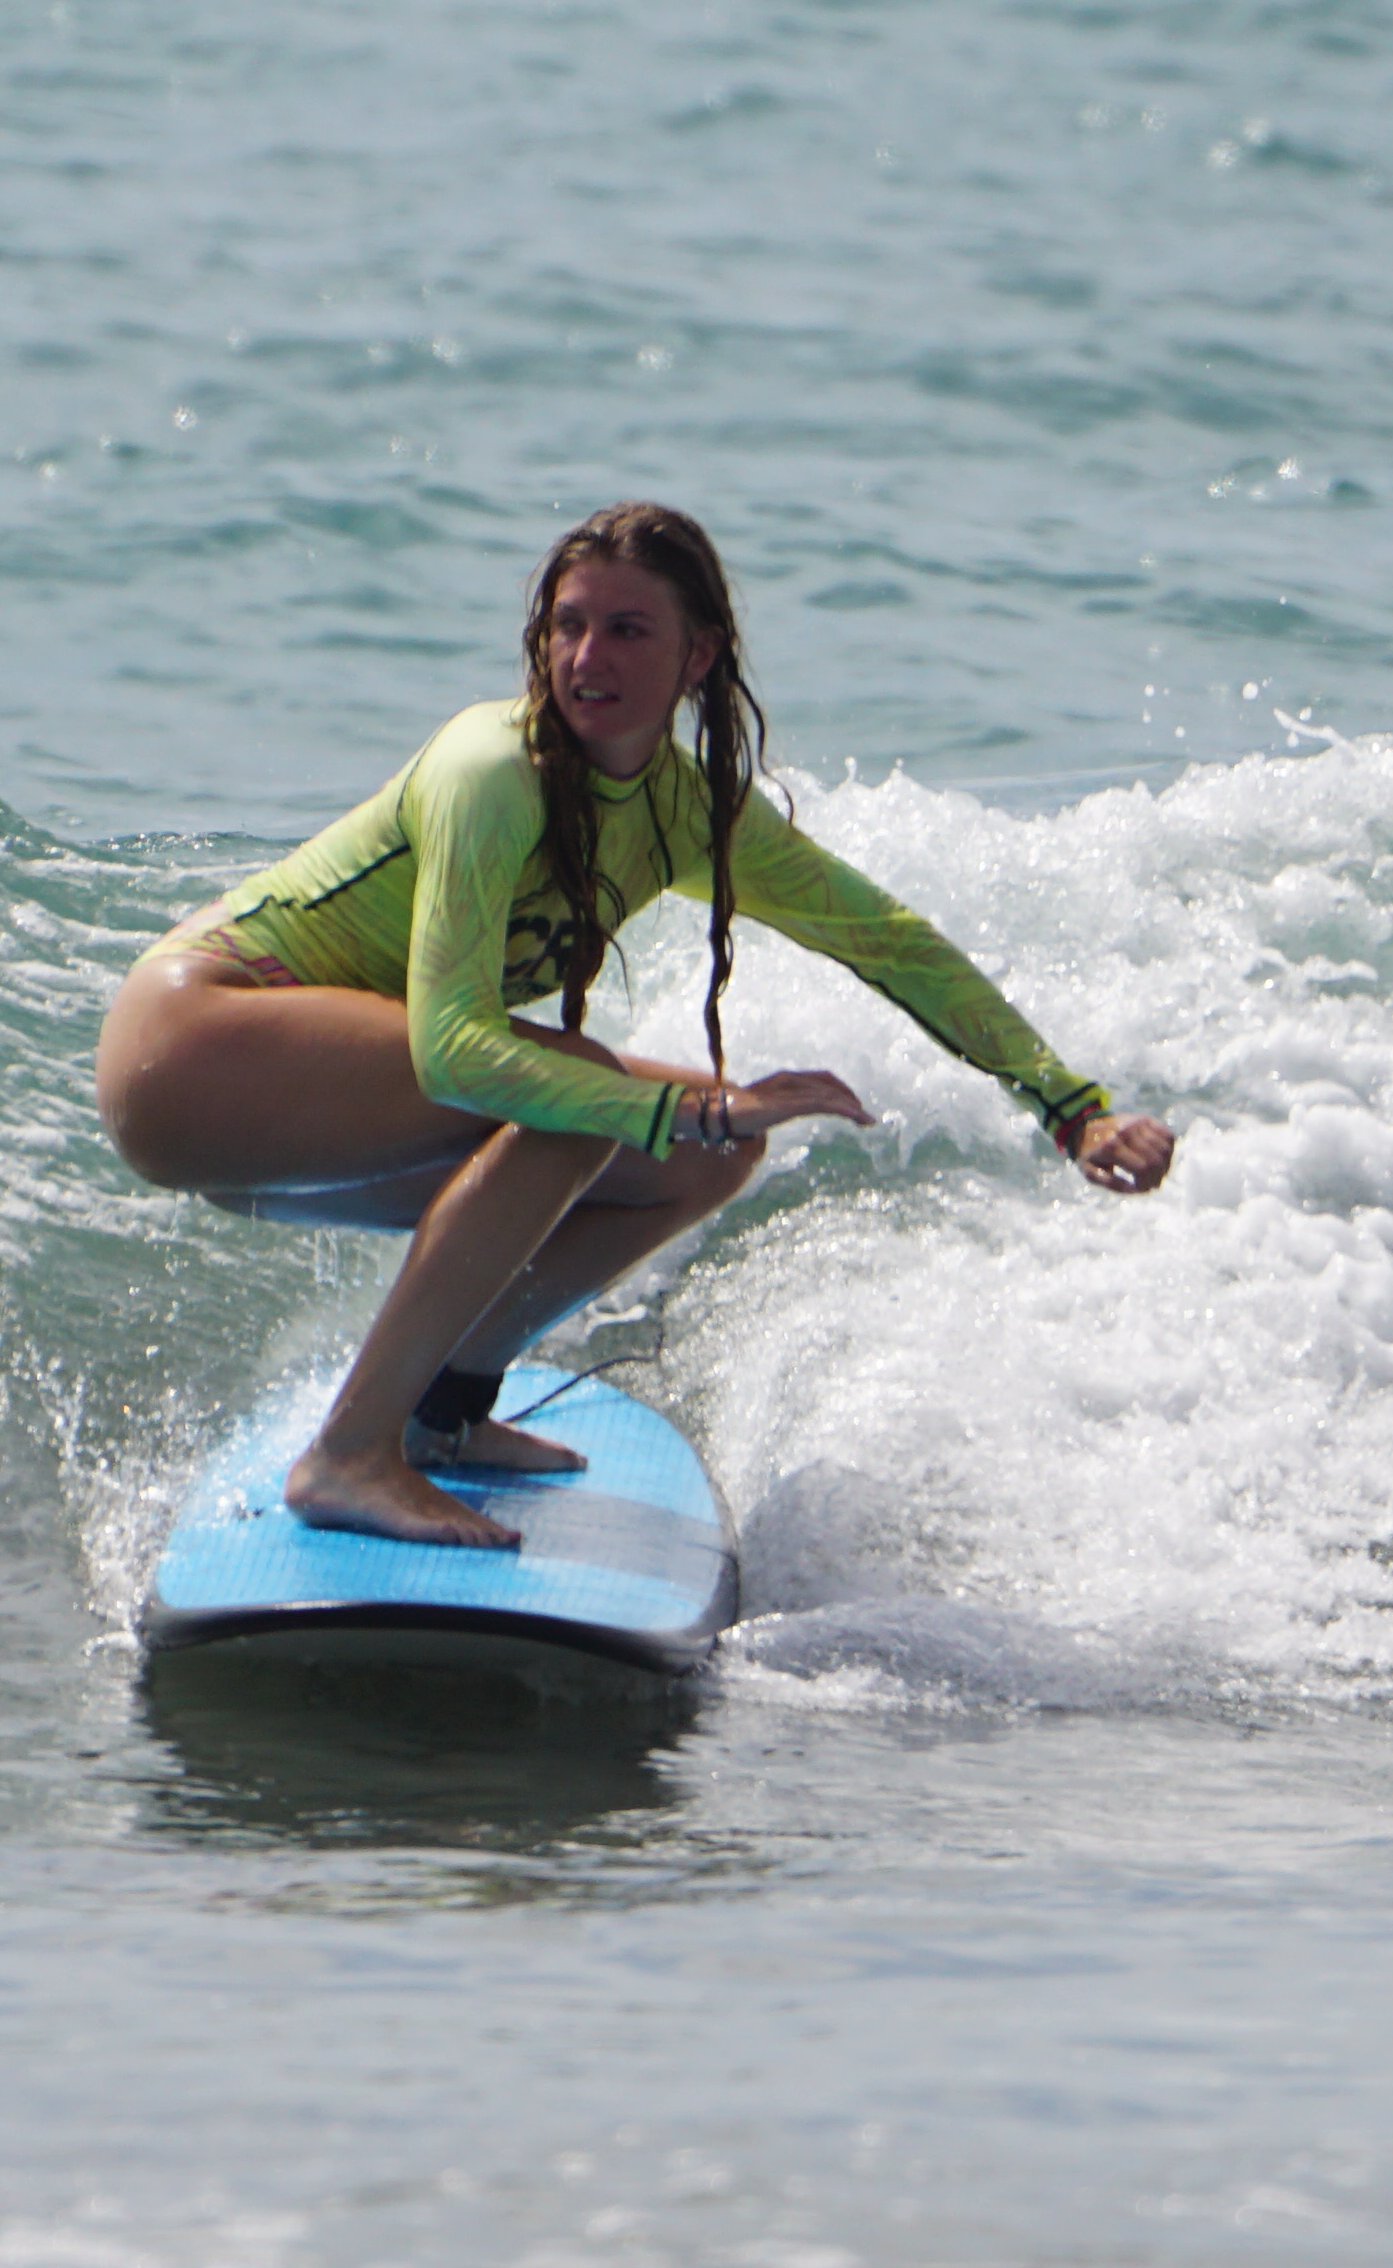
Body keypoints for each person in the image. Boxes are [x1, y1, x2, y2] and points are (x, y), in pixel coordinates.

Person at [96, 498, 1178, 1549]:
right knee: (586, 1097)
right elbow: (455, 1048)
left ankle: (444, 1405)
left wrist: (1069, 1108)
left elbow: (888, 940)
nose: (586, 656)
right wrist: (688, 1103)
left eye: (625, 628)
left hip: (296, 1098)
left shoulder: (689, 812)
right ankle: (350, 1452)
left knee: (704, 1158)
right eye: (568, 625)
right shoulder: (493, 770)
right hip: (196, 1041)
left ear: (697, 656)